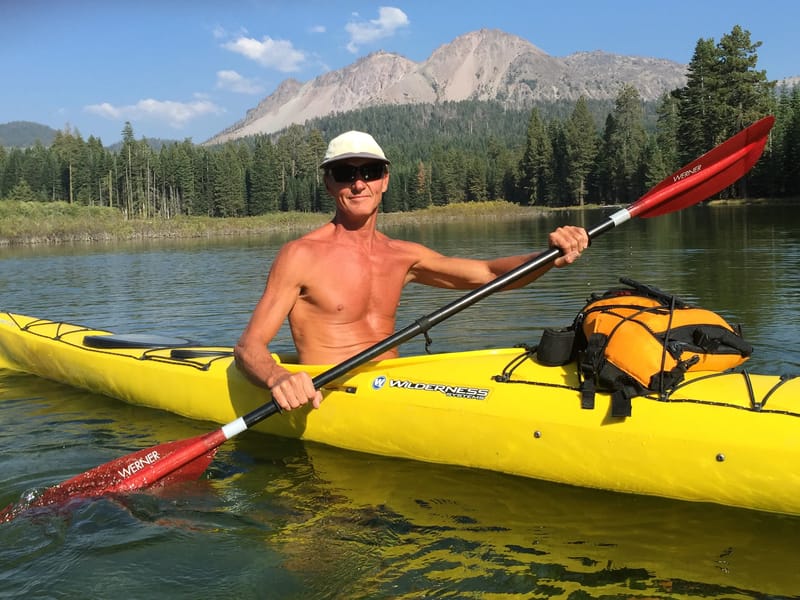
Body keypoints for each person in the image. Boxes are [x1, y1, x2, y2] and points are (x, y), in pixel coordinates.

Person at [234, 131, 589, 412]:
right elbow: (249, 347)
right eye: (345, 174)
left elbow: (488, 273)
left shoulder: (403, 256)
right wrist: (278, 378)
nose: (359, 184)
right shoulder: (300, 255)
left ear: (385, 180)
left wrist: (550, 256)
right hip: (330, 394)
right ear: (328, 184)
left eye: (370, 172)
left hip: (393, 388)